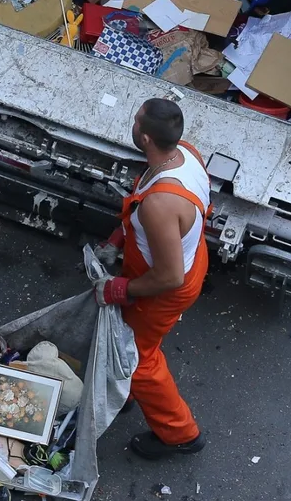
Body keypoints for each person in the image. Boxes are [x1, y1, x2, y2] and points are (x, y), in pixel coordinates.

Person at [97, 98, 210, 459]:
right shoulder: (185, 155)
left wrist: (121, 288)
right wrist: (118, 239)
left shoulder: (160, 205)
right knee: (130, 347)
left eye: (135, 122)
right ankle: (125, 391)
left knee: (137, 358)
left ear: (144, 138)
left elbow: (169, 276)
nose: (132, 125)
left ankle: (180, 435)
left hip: (166, 285)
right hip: (187, 258)